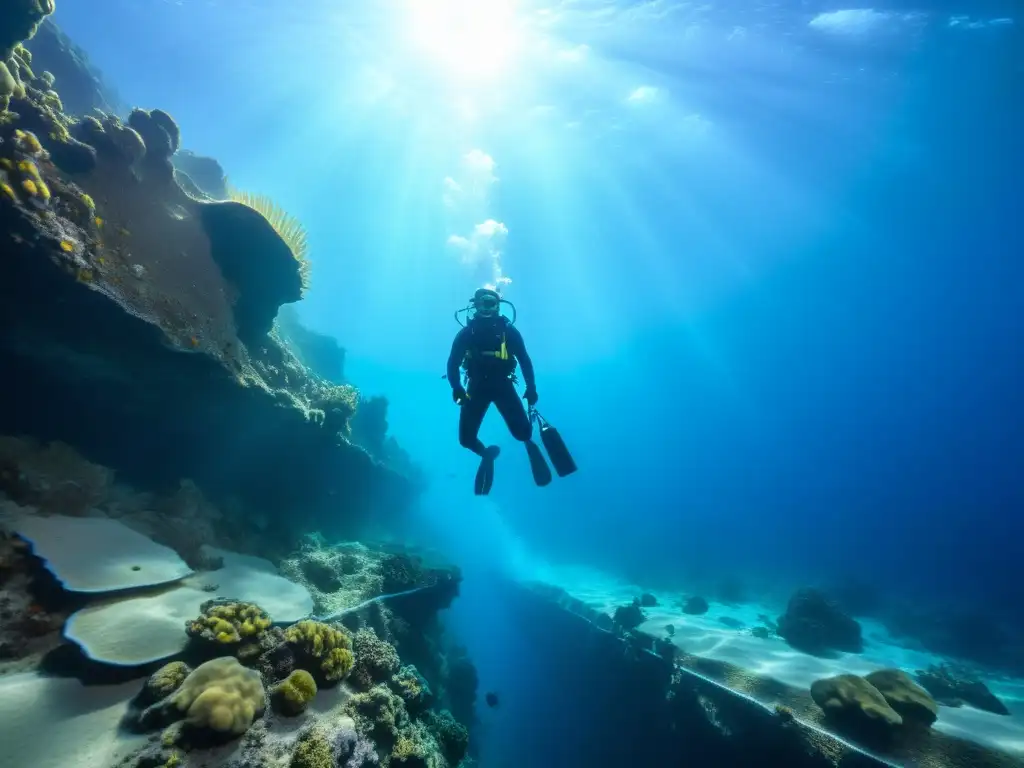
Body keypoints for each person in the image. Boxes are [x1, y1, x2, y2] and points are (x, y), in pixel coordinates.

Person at [446, 288, 552, 494]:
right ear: (475, 305)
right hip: (476, 388)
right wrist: (457, 387)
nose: (488, 308)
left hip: (502, 385)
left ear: (498, 305)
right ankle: (486, 455)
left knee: (523, 434)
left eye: (492, 303)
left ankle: (527, 443)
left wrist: (531, 388)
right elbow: (452, 362)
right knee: (466, 440)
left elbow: (524, 360)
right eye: (484, 303)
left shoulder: (508, 331)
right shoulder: (467, 334)